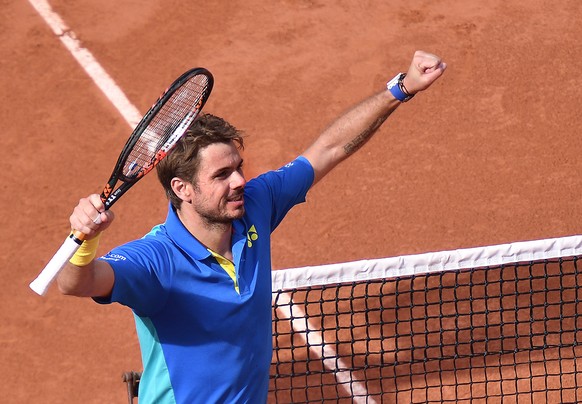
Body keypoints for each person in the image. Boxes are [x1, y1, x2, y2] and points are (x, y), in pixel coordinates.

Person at [57, 50, 446, 403]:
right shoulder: (156, 260)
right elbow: (74, 283)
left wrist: (402, 88)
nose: (240, 180)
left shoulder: (253, 208)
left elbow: (329, 149)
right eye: (222, 174)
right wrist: (84, 240)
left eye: (238, 167)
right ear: (183, 189)